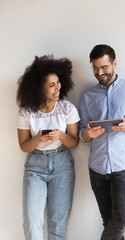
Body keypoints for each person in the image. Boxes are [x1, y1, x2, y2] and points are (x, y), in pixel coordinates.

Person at [78, 44, 125, 240]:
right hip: (97, 166)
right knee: (109, 221)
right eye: (95, 68)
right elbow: (81, 134)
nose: (99, 72)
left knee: (120, 220)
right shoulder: (87, 95)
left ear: (114, 63)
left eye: (104, 67)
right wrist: (87, 135)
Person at [16, 55, 80, 240]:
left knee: (58, 225)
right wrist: (37, 139)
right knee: (31, 221)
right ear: (39, 88)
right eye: (52, 85)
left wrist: (61, 135)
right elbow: (23, 146)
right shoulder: (26, 112)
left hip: (62, 165)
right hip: (34, 165)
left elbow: (74, 142)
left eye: (58, 82)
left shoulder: (67, 109)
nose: (57, 87)